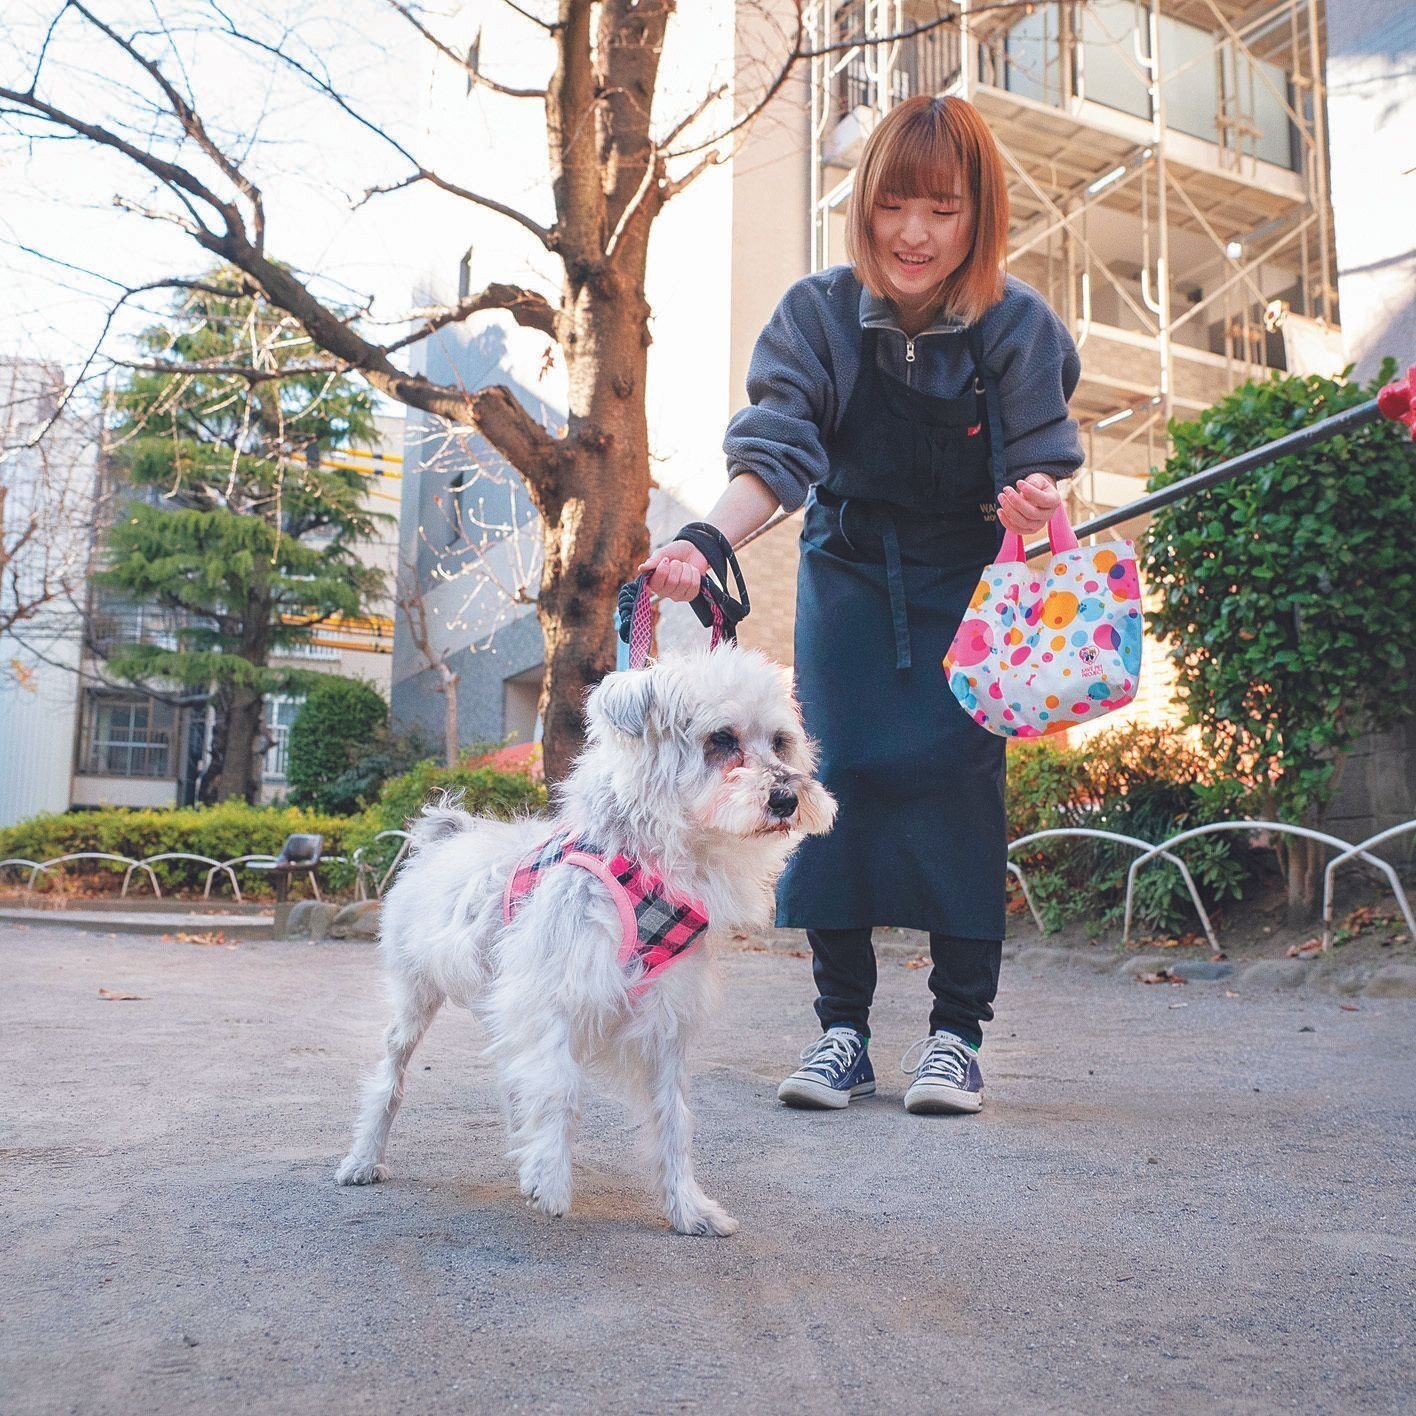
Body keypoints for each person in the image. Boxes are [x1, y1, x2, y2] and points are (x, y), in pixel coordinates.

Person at [639, 95, 1083, 1116]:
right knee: (826, 782)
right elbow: (777, 449)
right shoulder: (817, 314)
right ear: (863, 208)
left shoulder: (1018, 327)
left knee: (960, 787)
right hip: (849, 572)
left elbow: (1045, 473)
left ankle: (956, 1039)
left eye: (943, 208)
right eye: (893, 206)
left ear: (979, 215)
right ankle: (841, 1033)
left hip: (972, 585)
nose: (915, 234)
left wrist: (1037, 505)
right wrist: (704, 541)